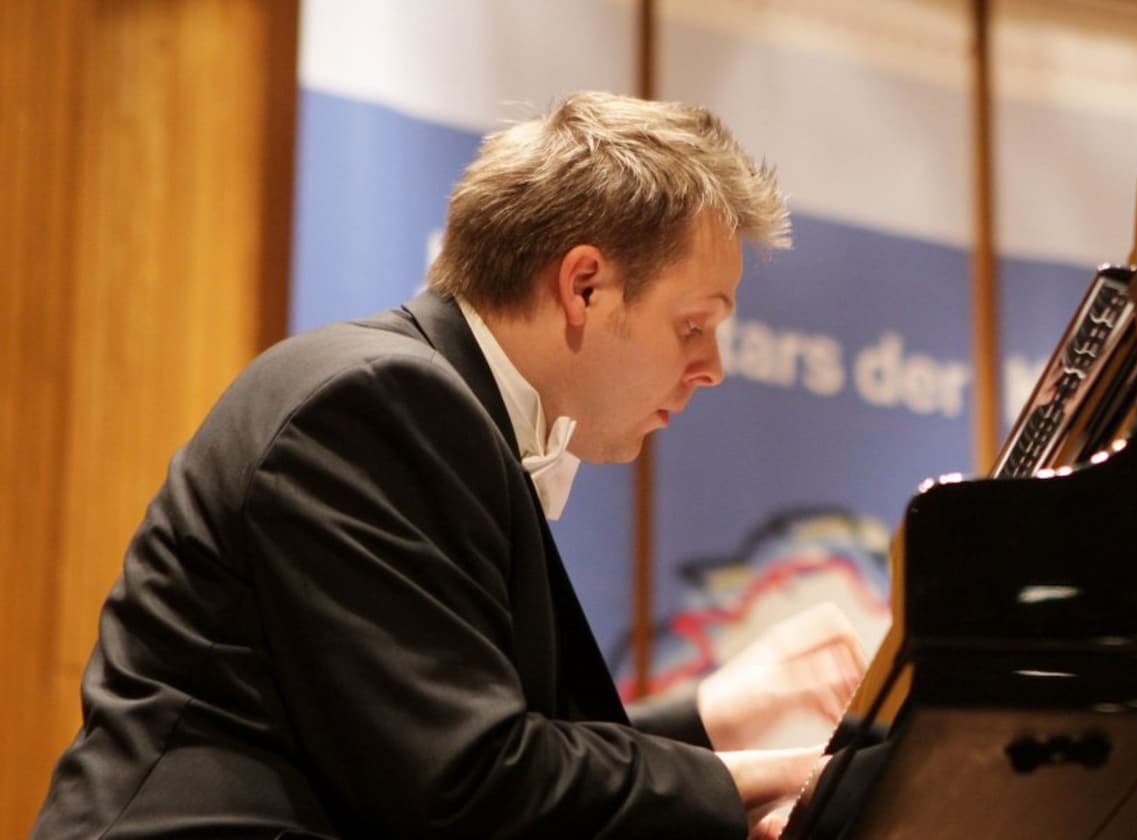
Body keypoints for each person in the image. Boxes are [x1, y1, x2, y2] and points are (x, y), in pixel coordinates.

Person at [32, 92, 865, 839]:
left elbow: (458, 743)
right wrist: (781, 776)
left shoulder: (429, 405)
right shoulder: (378, 405)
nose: (713, 366)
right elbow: (467, 785)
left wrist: (712, 717)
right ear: (584, 286)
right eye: (695, 323)